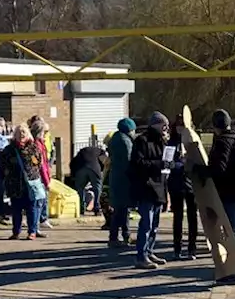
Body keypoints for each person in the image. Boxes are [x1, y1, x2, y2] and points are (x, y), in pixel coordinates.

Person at [196, 109, 235, 285]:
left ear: (215, 126)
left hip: (233, 192)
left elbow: (219, 169)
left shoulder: (223, 141)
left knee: (234, 231)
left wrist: (200, 170)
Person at [130, 112, 172, 269]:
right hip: (146, 186)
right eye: (163, 125)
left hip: (159, 186)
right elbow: (138, 163)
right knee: (146, 223)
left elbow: (165, 161)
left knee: (155, 224)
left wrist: (170, 164)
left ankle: (149, 250)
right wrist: (160, 164)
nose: (166, 128)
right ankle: (141, 256)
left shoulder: (162, 141)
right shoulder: (142, 140)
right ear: (155, 124)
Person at [1, 123, 46, 240]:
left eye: (23, 132)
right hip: (14, 184)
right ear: (14, 135)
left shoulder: (33, 148)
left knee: (32, 208)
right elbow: (3, 164)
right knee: (16, 209)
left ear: (28, 135)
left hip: (30, 183)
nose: (21, 135)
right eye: (18, 133)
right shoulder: (9, 149)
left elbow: (38, 163)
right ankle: (16, 231)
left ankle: (32, 231)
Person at [168, 114, 198, 261]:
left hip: (191, 182)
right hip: (175, 182)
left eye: (183, 125)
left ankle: (192, 248)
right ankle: (177, 247)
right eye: (178, 125)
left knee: (192, 217)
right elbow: (167, 162)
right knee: (177, 217)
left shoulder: (193, 141)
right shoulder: (171, 142)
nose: (180, 128)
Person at [107, 118, 137, 247]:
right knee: (122, 210)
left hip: (116, 178)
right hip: (124, 179)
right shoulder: (125, 142)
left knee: (121, 209)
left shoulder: (115, 139)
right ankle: (116, 237)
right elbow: (129, 160)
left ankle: (124, 235)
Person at [29, 117, 53, 230]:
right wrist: (47, 180)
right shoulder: (37, 145)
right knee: (39, 201)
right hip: (38, 177)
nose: (46, 134)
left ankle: (38, 223)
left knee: (41, 200)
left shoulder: (40, 143)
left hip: (41, 175)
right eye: (44, 132)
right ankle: (37, 224)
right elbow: (41, 164)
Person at [70, 142, 105, 216]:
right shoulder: (101, 152)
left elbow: (72, 162)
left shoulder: (81, 151)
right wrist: (101, 171)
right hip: (94, 169)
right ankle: (97, 208)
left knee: (80, 189)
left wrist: (73, 174)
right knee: (97, 188)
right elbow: (104, 162)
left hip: (81, 168)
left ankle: (81, 208)